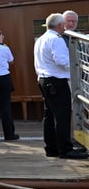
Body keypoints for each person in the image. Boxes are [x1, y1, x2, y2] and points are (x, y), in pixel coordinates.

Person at [33, 14, 87, 160]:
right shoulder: (56, 40)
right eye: (64, 24)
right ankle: (65, 149)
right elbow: (62, 61)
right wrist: (77, 68)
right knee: (62, 116)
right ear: (59, 26)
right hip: (56, 81)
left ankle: (51, 148)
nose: (65, 27)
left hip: (44, 80)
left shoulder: (41, 39)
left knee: (49, 115)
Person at [60, 9, 87, 152]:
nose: (70, 23)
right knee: (71, 109)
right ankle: (72, 138)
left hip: (81, 79)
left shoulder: (79, 38)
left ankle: (79, 136)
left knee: (81, 107)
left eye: (73, 21)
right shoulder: (58, 39)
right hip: (66, 80)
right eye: (68, 21)